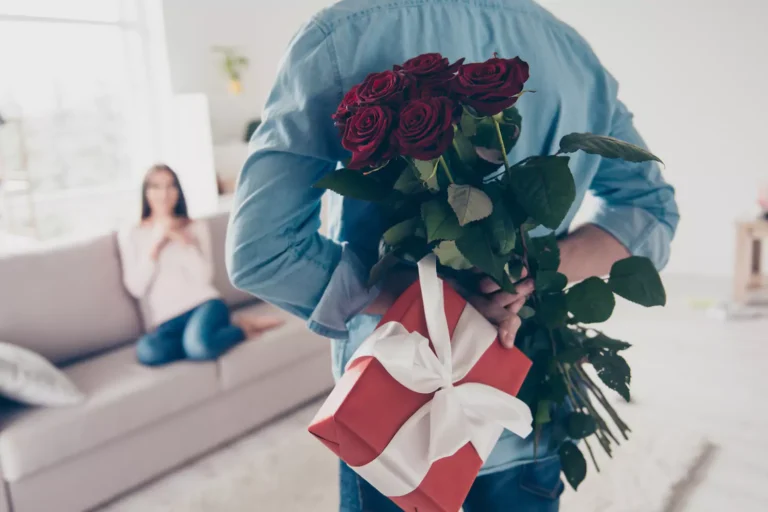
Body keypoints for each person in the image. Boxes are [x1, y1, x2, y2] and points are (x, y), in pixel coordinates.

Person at [226, 0, 679, 510]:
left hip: (395, 416)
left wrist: (427, 299)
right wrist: (528, 276)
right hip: (527, 405)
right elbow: (653, 211)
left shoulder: (341, 35)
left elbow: (261, 251)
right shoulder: (570, 51)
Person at [118, 164, 280, 367]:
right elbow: (136, 287)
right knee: (148, 352)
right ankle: (221, 331)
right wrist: (156, 244)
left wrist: (184, 242)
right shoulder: (131, 233)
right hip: (167, 321)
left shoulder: (195, 226)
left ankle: (240, 330)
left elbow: (204, 277)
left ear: (178, 191)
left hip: (204, 305)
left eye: (170, 186)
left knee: (199, 348)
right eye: (156, 187)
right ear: (146, 192)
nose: (164, 194)